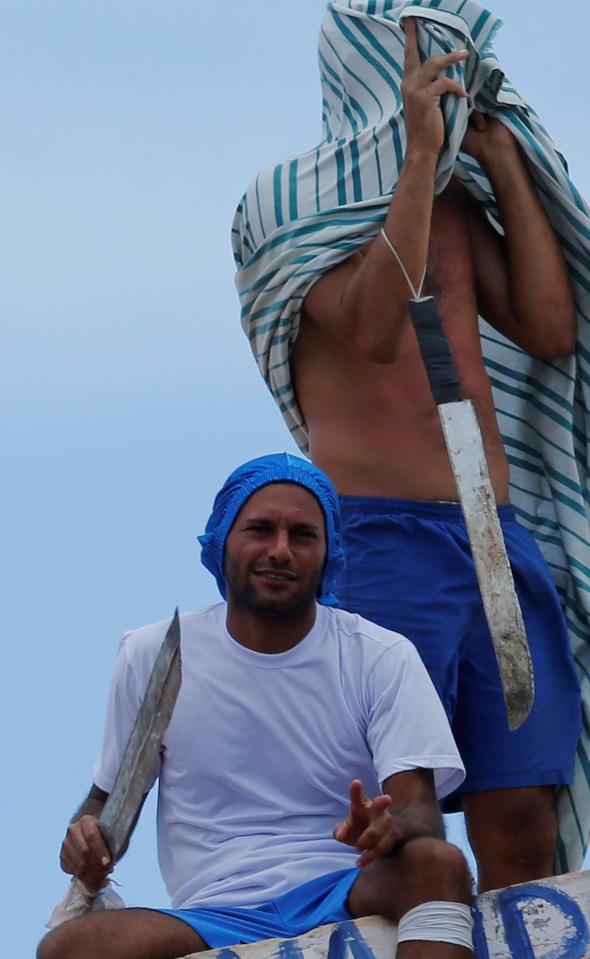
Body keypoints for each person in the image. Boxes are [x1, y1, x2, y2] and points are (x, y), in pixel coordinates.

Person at [231, 4, 583, 892]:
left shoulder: (460, 206)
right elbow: (376, 329)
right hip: (382, 542)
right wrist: (419, 158)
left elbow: (548, 327)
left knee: (522, 813)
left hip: (493, 546)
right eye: (425, 48)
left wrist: (501, 158)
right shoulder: (290, 202)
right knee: (401, 804)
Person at [38, 454, 473, 959]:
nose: (280, 551)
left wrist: (392, 828)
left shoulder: (379, 655)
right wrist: (86, 840)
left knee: (437, 863)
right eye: (261, 530)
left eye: (303, 535)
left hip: (347, 885)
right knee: (70, 949)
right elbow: (105, 801)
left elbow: (417, 806)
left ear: (329, 552)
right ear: (221, 541)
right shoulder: (154, 653)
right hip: (212, 913)